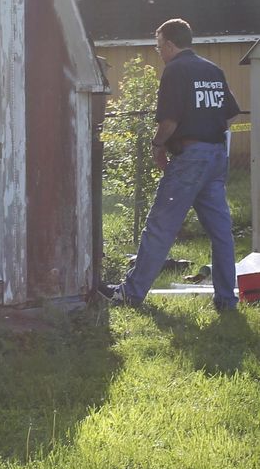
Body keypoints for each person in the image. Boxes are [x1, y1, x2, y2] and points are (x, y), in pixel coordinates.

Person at [98, 18, 241, 310]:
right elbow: (230, 115)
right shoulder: (212, 69)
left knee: (160, 226)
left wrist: (157, 146)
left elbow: (169, 122)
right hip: (216, 157)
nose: (158, 50)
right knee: (221, 233)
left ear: (171, 45)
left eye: (158, 45)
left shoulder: (176, 70)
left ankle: (130, 294)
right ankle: (227, 299)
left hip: (190, 159)